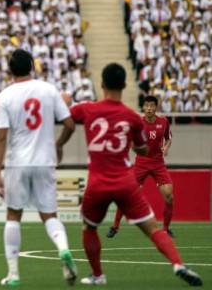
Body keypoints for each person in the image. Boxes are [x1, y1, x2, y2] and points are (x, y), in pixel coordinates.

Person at [69, 63, 202, 286]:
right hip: (124, 182)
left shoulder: (87, 109)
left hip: (98, 183)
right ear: (124, 85)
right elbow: (141, 149)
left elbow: (66, 117)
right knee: (153, 229)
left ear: (101, 84)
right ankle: (178, 264)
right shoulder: (131, 117)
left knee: (89, 227)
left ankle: (98, 275)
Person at [0, 49, 78, 287]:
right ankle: (63, 249)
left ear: (10, 70)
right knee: (49, 215)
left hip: (18, 162)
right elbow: (70, 124)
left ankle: (14, 274)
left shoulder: (6, 96)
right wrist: (58, 145)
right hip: (45, 161)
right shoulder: (49, 90)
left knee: (13, 215)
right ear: (32, 66)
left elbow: (0, 138)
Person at [107, 95, 175, 238]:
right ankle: (115, 226)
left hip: (158, 163)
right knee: (126, 194)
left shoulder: (163, 122)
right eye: (146, 106)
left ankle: (166, 229)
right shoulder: (137, 123)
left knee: (169, 195)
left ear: (156, 108)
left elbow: (168, 138)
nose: (149, 108)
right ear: (143, 107)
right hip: (141, 163)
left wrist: (166, 147)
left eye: (151, 106)